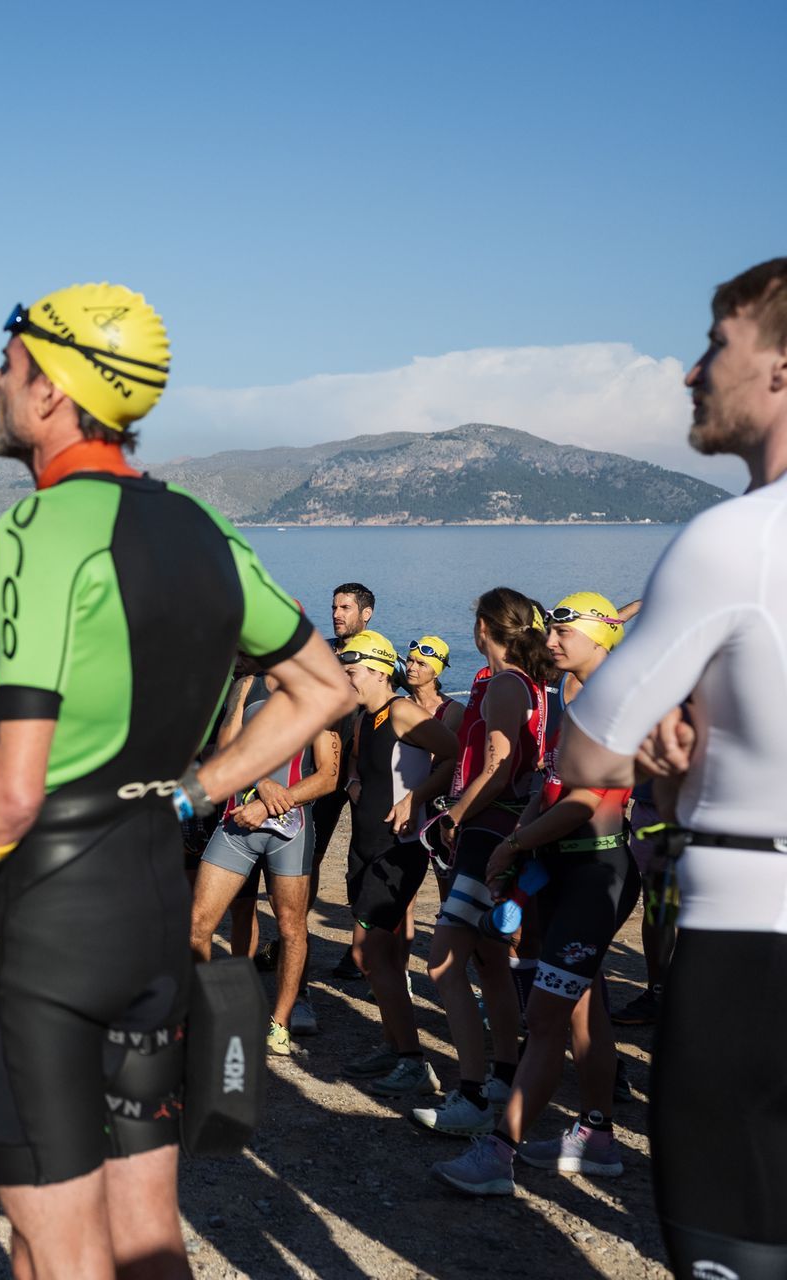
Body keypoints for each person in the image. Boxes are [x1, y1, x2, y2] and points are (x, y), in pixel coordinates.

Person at [0, 285, 352, 1277]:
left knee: (59, 1238)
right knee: (149, 1228)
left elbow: (12, 786)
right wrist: (193, 792)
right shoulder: (205, 526)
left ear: (56, 390)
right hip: (156, 891)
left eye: (10, 364)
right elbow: (324, 687)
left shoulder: (41, 525)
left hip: (52, 911)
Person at [556, 257, 787, 1277]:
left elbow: (584, 747)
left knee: (734, 1243)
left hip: (754, 941)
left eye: (716, 344)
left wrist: (670, 767)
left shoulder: (738, 540)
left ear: (780, 368)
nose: (691, 372)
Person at [434, 593, 637, 1196]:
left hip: (595, 871)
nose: (550, 640)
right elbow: (550, 783)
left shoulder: (615, 701)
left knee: (546, 1018)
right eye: (551, 631)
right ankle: (596, 1138)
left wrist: (513, 845)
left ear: (600, 636)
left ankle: (499, 1154)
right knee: (582, 1009)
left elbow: (586, 800)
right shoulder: (577, 697)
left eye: (564, 632)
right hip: (562, 866)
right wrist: (520, 844)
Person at [413, 588, 553, 1137]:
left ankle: (470, 1095)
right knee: (492, 960)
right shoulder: (527, 683)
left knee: (443, 965)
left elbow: (496, 767)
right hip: (504, 828)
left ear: (483, 629)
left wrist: (452, 815)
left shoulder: (504, 685)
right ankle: (503, 1074)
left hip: (485, 829)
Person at [187, 664, 340, 1056]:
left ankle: (280, 1024)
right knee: (198, 925)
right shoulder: (247, 686)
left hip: (290, 831)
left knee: (291, 927)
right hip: (238, 823)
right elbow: (224, 753)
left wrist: (273, 803)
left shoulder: (316, 690)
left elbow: (328, 776)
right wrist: (261, 785)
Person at [334, 631, 459, 1099]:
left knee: (369, 954)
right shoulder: (367, 717)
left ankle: (412, 1061)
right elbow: (358, 763)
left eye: (351, 671)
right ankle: (394, 1046)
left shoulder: (403, 711)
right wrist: (352, 782)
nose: (346, 679)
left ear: (378, 671)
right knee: (378, 957)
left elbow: (454, 753)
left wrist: (416, 798)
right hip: (365, 847)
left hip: (397, 849)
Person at [315, 583, 374, 980]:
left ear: (366, 614)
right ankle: (290, 937)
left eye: (346, 607)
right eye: (334, 606)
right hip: (321, 766)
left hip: (364, 770)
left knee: (363, 858)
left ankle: (359, 952)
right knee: (309, 854)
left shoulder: (379, 654)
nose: (337, 614)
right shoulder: (320, 652)